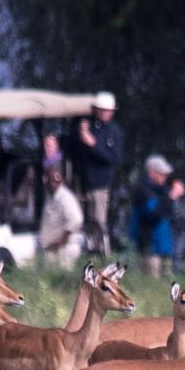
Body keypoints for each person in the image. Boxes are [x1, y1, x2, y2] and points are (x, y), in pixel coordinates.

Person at [69, 92, 124, 254]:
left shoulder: (114, 131)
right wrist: (81, 135)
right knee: (86, 219)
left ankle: (103, 251)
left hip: (101, 183)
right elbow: (76, 151)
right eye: (101, 110)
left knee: (99, 219)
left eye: (107, 110)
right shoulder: (90, 127)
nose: (104, 113)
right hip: (85, 182)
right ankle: (90, 249)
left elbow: (113, 158)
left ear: (112, 112)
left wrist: (92, 144)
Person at [129, 154, 183, 276]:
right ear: (152, 173)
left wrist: (170, 197)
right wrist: (172, 196)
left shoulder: (161, 191)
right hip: (150, 249)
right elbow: (152, 215)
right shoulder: (143, 191)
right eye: (162, 173)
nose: (165, 176)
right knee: (151, 286)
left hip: (164, 249)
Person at [37, 161, 86, 266]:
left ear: (62, 180)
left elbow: (76, 219)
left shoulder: (64, 196)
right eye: (51, 179)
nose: (53, 182)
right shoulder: (50, 196)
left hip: (63, 250)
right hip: (51, 250)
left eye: (57, 179)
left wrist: (62, 240)